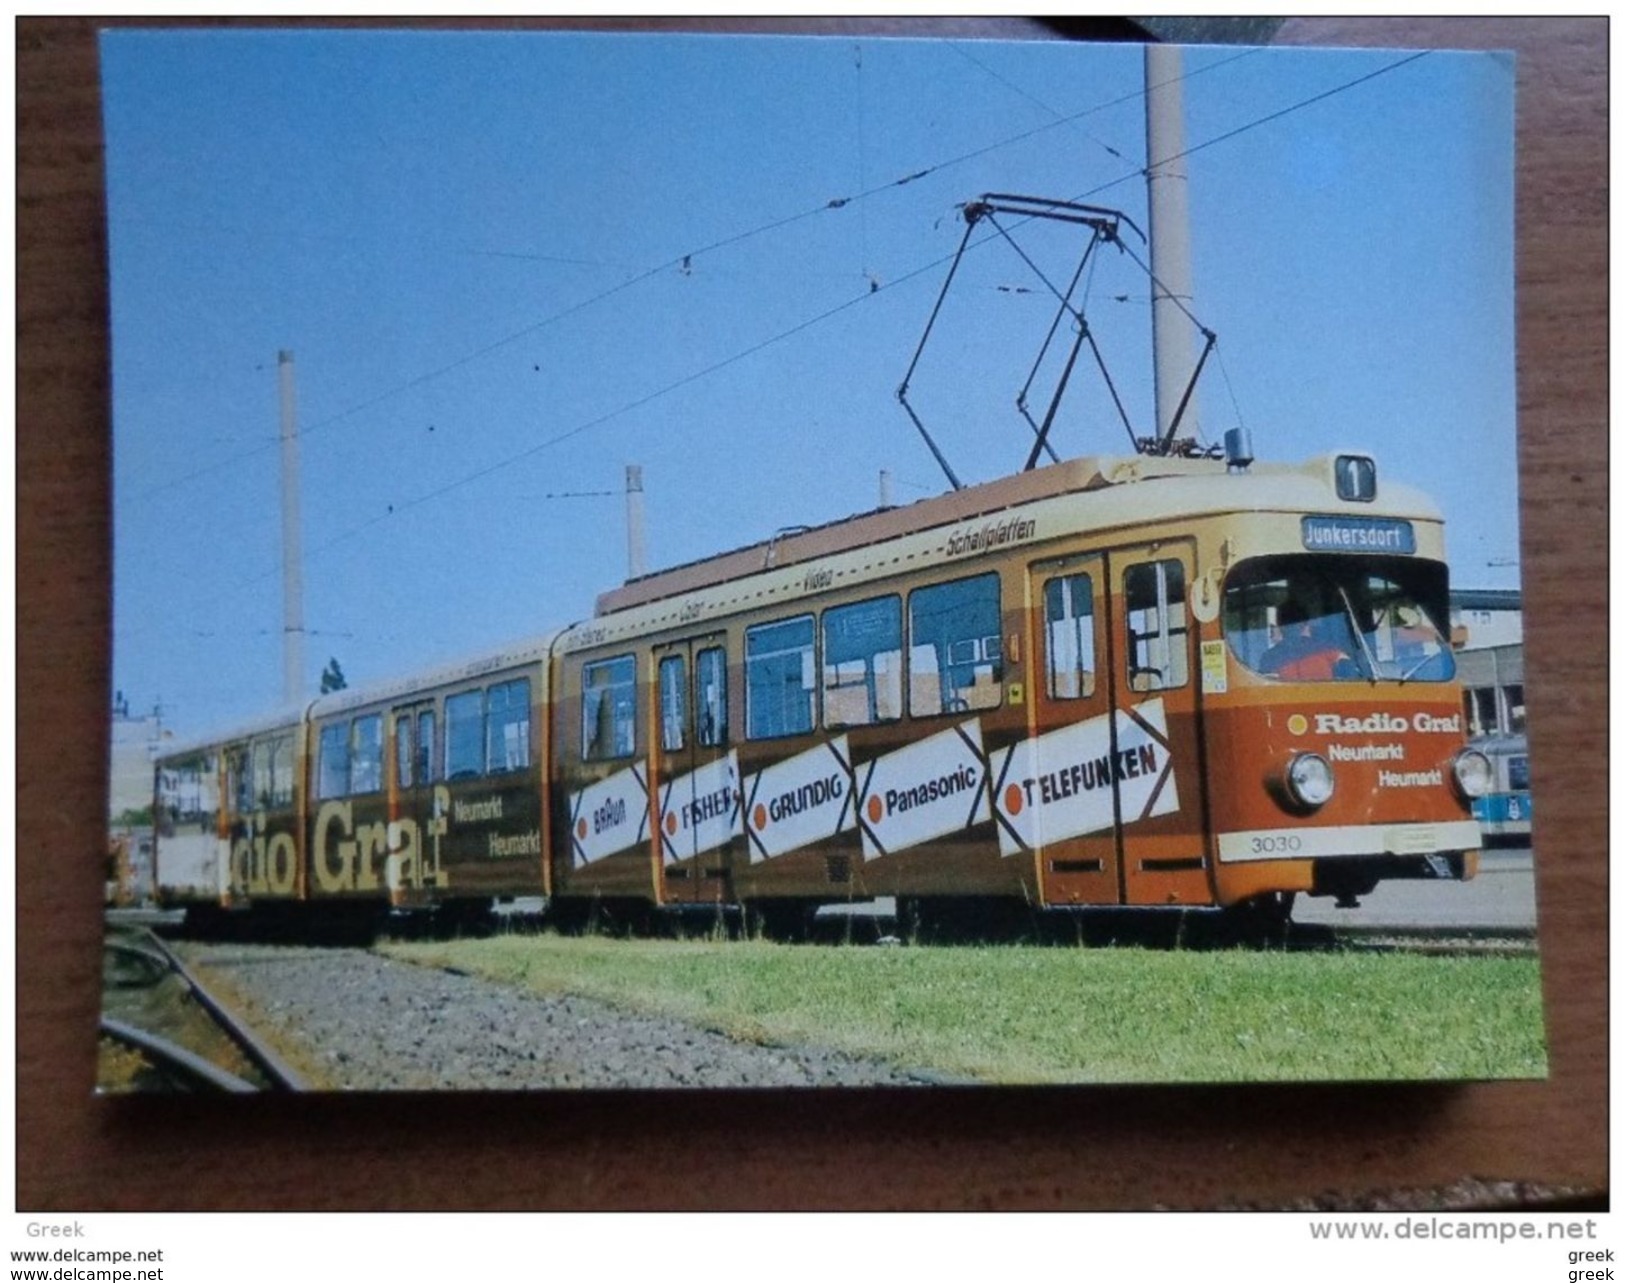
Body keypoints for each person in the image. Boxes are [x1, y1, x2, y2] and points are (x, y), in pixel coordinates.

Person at [1260, 600, 1350, 681]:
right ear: (1306, 623)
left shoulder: (1269, 658)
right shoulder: (1328, 650)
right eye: (1289, 623)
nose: (1292, 627)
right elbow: (1351, 674)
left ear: (1279, 625)